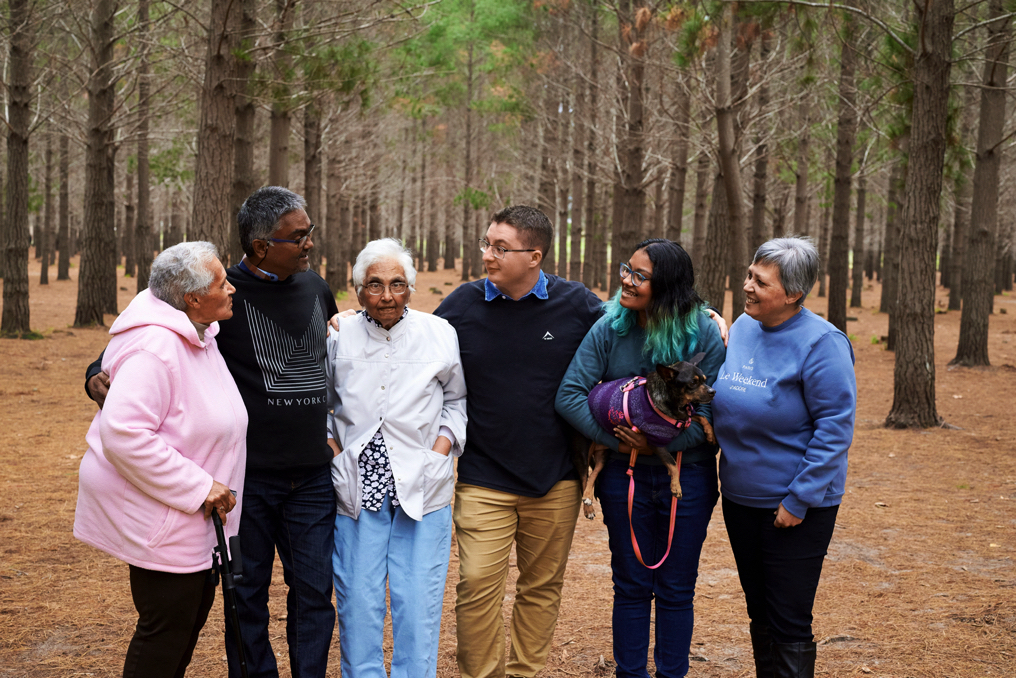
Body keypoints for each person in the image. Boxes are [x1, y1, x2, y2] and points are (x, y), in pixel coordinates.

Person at [86, 186, 339, 678]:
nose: (310, 243)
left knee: (315, 593)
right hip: (247, 481)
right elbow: (148, 329)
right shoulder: (220, 294)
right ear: (263, 245)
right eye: (300, 235)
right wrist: (96, 369)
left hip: (311, 477)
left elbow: (335, 344)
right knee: (244, 596)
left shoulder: (314, 287)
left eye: (310, 232)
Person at [433, 205, 604, 678]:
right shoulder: (461, 306)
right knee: (475, 585)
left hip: (556, 479)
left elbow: (630, 326)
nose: (487, 254)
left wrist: (703, 312)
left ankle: (525, 672)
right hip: (483, 476)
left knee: (541, 587)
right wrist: (349, 320)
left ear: (535, 255)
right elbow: (410, 339)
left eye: (500, 247)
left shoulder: (578, 305)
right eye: (487, 243)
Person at [74, 242, 247, 678]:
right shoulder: (156, 348)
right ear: (192, 298)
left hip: (196, 523)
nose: (231, 289)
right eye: (221, 283)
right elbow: (124, 432)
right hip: (167, 518)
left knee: (182, 630)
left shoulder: (198, 334)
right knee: (165, 636)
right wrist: (200, 487)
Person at [555, 238, 725, 678]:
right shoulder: (611, 327)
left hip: (687, 479)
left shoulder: (703, 332)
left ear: (667, 286)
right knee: (630, 586)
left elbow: (710, 413)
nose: (626, 281)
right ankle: (629, 673)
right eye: (626, 269)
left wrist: (657, 445)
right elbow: (569, 396)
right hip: (620, 477)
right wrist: (618, 444)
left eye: (640, 275)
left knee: (675, 588)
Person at [712, 237, 856, 678]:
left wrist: (798, 500)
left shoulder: (822, 343)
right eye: (749, 275)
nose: (747, 286)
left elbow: (835, 428)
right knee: (760, 614)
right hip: (740, 499)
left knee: (790, 619)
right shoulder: (745, 327)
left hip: (794, 508)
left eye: (761, 281)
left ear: (793, 293)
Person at [326, 238, 467, 678]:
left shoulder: (439, 333)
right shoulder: (337, 334)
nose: (387, 295)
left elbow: (456, 402)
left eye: (397, 284)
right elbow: (320, 403)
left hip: (422, 487)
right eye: (375, 285)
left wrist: (439, 451)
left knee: (418, 602)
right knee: (359, 602)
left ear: (410, 288)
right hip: (356, 489)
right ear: (357, 289)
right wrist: (334, 452)